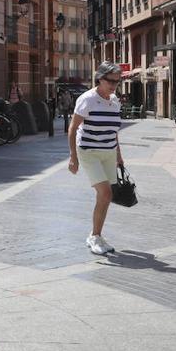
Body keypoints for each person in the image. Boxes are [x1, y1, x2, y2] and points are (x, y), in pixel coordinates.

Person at [68, 62, 125, 256]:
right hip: (89, 151)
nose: (114, 85)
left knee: (104, 196)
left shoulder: (115, 100)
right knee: (106, 193)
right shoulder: (87, 99)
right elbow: (73, 128)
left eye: (117, 81)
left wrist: (118, 154)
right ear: (99, 78)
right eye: (110, 81)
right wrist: (73, 158)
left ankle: (97, 235)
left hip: (108, 151)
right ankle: (94, 236)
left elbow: (113, 130)